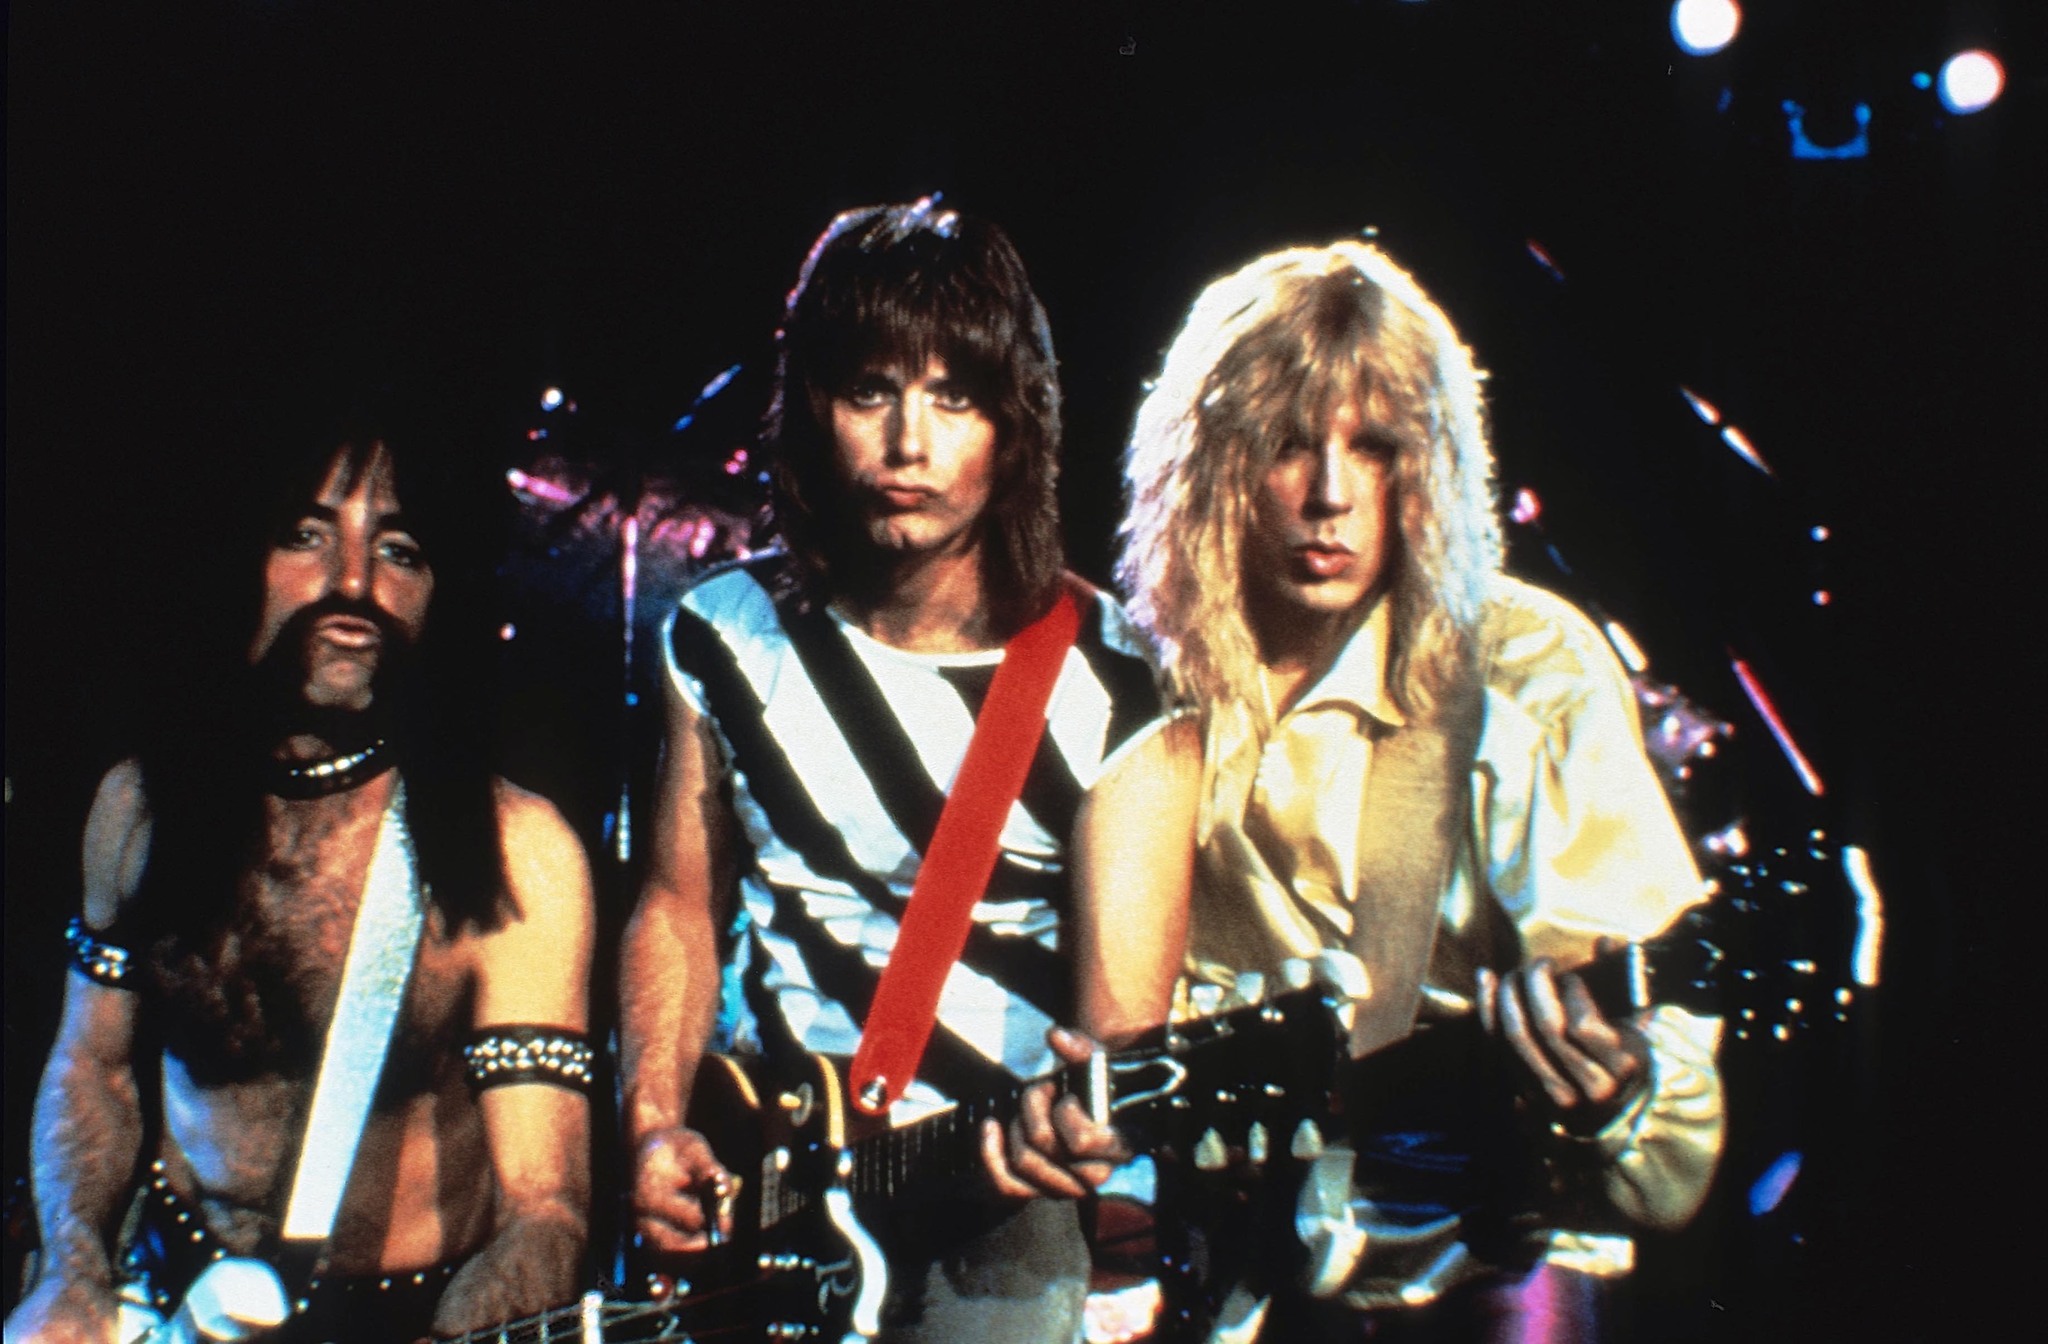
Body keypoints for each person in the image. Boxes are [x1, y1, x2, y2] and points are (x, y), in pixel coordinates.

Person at [1116, 241, 1724, 1341]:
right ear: (1210, 464)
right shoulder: (1138, 680)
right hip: (1222, 1278)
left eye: (1375, 447)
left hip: (1473, 1269)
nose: (1331, 496)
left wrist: (1616, 1094)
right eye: (1287, 446)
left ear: (1429, 465)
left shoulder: (1522, 668)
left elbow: (1661, 1097)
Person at [619, 199, 1196, 1343]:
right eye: (870, 391)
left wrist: (1083, 1127)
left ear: (1012, 420)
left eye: (953, 397)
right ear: (812, 407)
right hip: (763, 1181)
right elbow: (678, 907)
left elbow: (1121, 1034)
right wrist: (648, 1126)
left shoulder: (1118, 680)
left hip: (994, 1202)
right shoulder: (720, 634)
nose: (908, 446)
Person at [5, 398, 596, 1344]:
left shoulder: (516, 850)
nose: (354, 582)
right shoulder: (138, 804)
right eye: (308, 535)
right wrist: (70, 1269)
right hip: (161, 1287)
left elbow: (545, 1212)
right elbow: (93, 1065)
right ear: (240, 558)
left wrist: (472, 1322)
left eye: (399, 550)